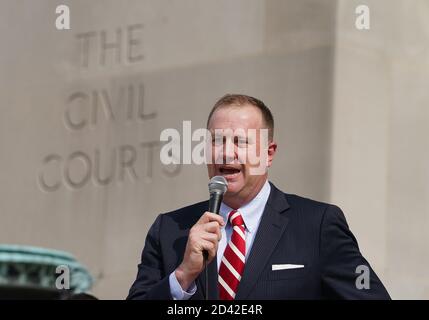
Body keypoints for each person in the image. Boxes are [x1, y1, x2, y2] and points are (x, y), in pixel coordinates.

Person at [127, 94, 390, 300]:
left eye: (240, 142)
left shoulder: (317, 225)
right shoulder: (170, 230)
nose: (225, 154)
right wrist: (183, 276)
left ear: (268, 153)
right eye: (217, 141)